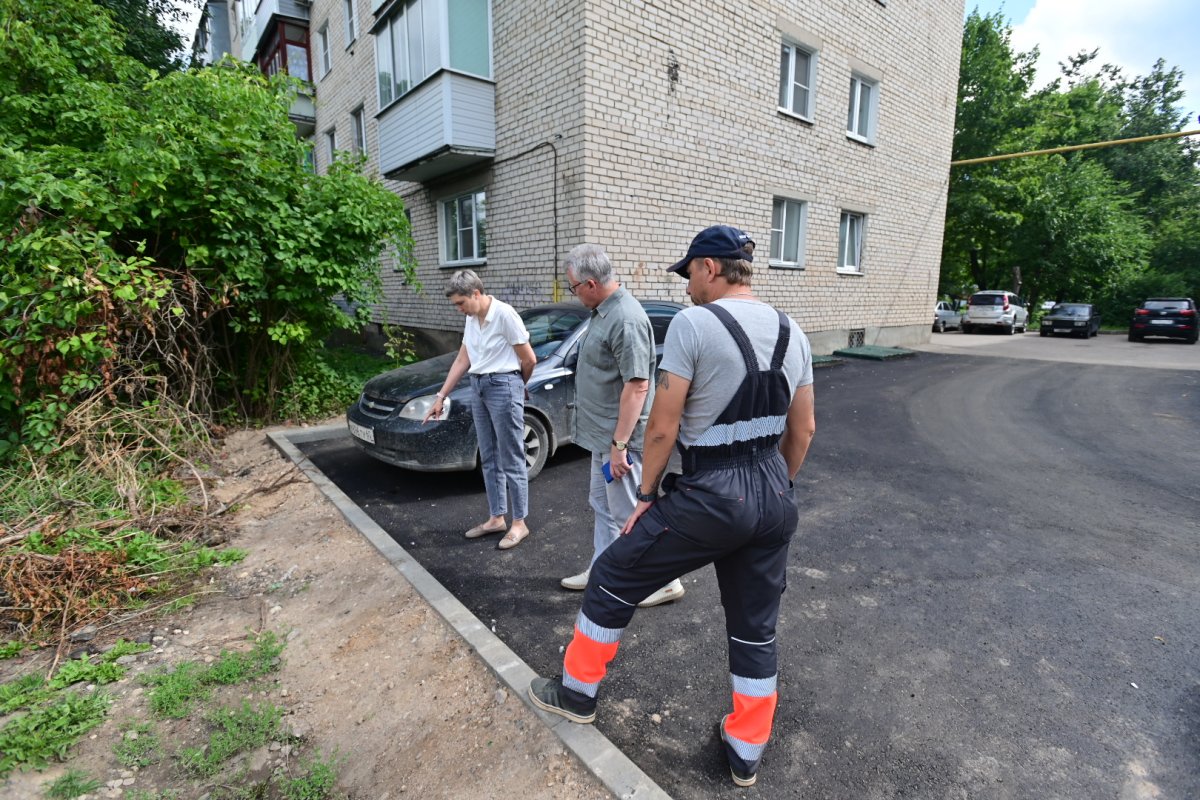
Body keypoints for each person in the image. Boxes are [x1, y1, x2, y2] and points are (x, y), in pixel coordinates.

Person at [528, 225, 816, 787]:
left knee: (611, 573)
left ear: (710, 267)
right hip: (774, 491)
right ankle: (746, 749)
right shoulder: (793, 330)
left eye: (689, 274)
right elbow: (802, 430)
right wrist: (776, 486)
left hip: (712, 493)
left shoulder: (694, 325)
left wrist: (644, 497)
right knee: (755, 628)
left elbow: (661, 427)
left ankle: (575, 693)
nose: (686, 287)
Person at [559, 244, 685, 608]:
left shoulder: (625, 318)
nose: (573, 292)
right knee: (602, 504)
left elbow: (637, 385)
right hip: (606, 437)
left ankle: (664, 581)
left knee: (632, 511)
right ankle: (603, 568)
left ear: (592, 283)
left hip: (621, 441)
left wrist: (619, 446)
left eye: (573, 287)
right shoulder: (603, 311)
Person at [425, 270, 538, 549]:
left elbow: (530, 359)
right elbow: (463, 359)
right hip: (478, 386)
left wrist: (513, 387)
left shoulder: (505, 315)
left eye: (460, 303)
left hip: (503, 384)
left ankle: (519, 523)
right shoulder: (472, 318)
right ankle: (497, 518)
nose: (458, 309)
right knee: (488, 456)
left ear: (476, 294)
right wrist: (441, 395)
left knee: (512, 457)